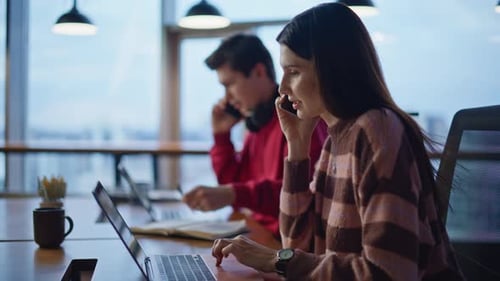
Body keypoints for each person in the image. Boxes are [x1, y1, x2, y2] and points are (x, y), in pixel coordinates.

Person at [211, 3, 465, 280]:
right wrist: (297, 147)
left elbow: (387, 273)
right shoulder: (337, 139)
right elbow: (296, 247)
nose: (282, 88)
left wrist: (274, 260)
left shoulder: (376, 130)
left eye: (294, 71)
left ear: (331, 69)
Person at [182, 34, 328, 238]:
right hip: (256, 230)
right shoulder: (257, 121)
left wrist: (233, 193)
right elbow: (232, 184)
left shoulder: (298, 119)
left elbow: (298, 191)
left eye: (230, 84)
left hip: (284, 240)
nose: (227, 98)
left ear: (259, 71)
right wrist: (221, 136)